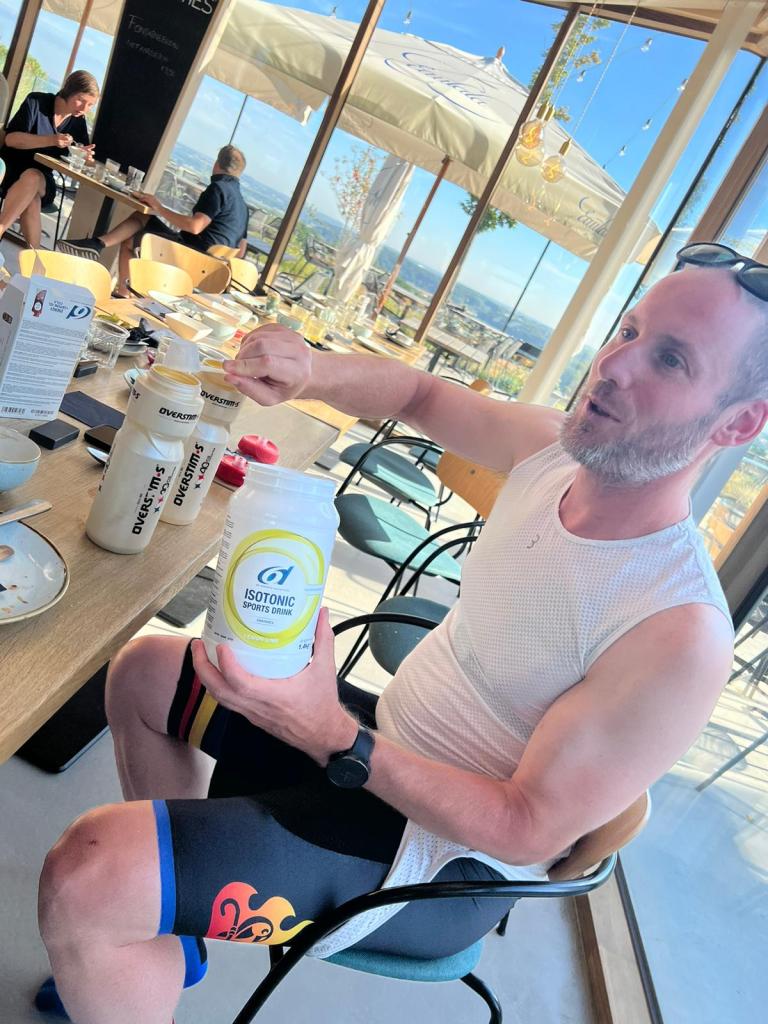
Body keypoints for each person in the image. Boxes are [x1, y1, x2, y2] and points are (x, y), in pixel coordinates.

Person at [37, 243, 768, 1024]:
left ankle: (128, 911)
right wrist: (310, 370)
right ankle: (166, 929)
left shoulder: (676, 629)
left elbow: (525, 828)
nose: (615, 366)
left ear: (740, 422)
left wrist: (330, 735)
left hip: (437, 866)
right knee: (147, 671)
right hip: (380, 741)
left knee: (88, 873)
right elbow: (420, 393)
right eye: (628, 330)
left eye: (671, 360)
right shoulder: (551, 455)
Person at [57, 144, 250, 297]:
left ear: (217, 164)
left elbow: (195, 226)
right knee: (140, 223)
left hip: (188, 256)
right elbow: (240, 251)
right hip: (214, 272)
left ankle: (104, 257)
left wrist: (158, 207)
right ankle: (99, 249)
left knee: (138, 225)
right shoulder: (243, 206)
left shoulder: (218, 189)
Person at [0, 70, 98, 249]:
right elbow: (11, 139)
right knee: (32, 198)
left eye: (90, 105)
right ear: (69, 90)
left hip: (44, 181)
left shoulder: (78, 122)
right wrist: (51, 140)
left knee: (33, 177)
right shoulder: (37, 102)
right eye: (81, 100)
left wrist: (86, 157)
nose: (85, 109)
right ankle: (35, 260)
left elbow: (85, 157)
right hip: (9, 171)